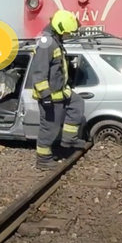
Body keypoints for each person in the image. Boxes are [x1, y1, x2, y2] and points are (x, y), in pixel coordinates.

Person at [29, 10, 87, 170]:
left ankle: (69, 139)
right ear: (61, 28)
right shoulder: (46, 43)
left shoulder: (55, 40)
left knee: (76, 104)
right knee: (50, 127)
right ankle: (43, 159)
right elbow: (39, 72)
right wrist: (45, 96)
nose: (69, 35)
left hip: (60, 91)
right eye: (68, 32)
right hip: (50, 95)